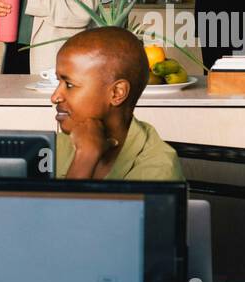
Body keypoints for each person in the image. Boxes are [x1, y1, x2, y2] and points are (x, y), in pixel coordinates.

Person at [50, 27, 184, 182]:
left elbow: (61, 207)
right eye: (58, 81)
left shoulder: (159, 171)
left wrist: (85, 157)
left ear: (117, 93)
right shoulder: (57, 145)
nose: (55, 97)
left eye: (70, 85)